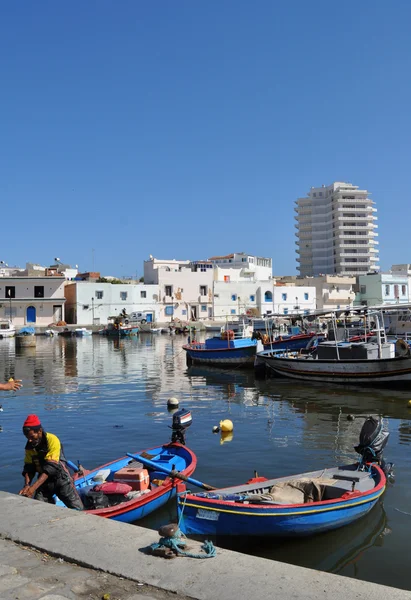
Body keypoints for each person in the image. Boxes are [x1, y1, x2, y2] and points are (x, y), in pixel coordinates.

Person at [19, 414, 83, 510]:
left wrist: (33, 488)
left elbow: (50, 468)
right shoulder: (29, 446)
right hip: (44, 482)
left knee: (78, 509)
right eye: (27, 437)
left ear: (40, 431)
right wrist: (27, 485)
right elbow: (29, 467)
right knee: (39, 508)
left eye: (32, 437)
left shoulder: (52, 440)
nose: (30, 440)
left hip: (61, 479)